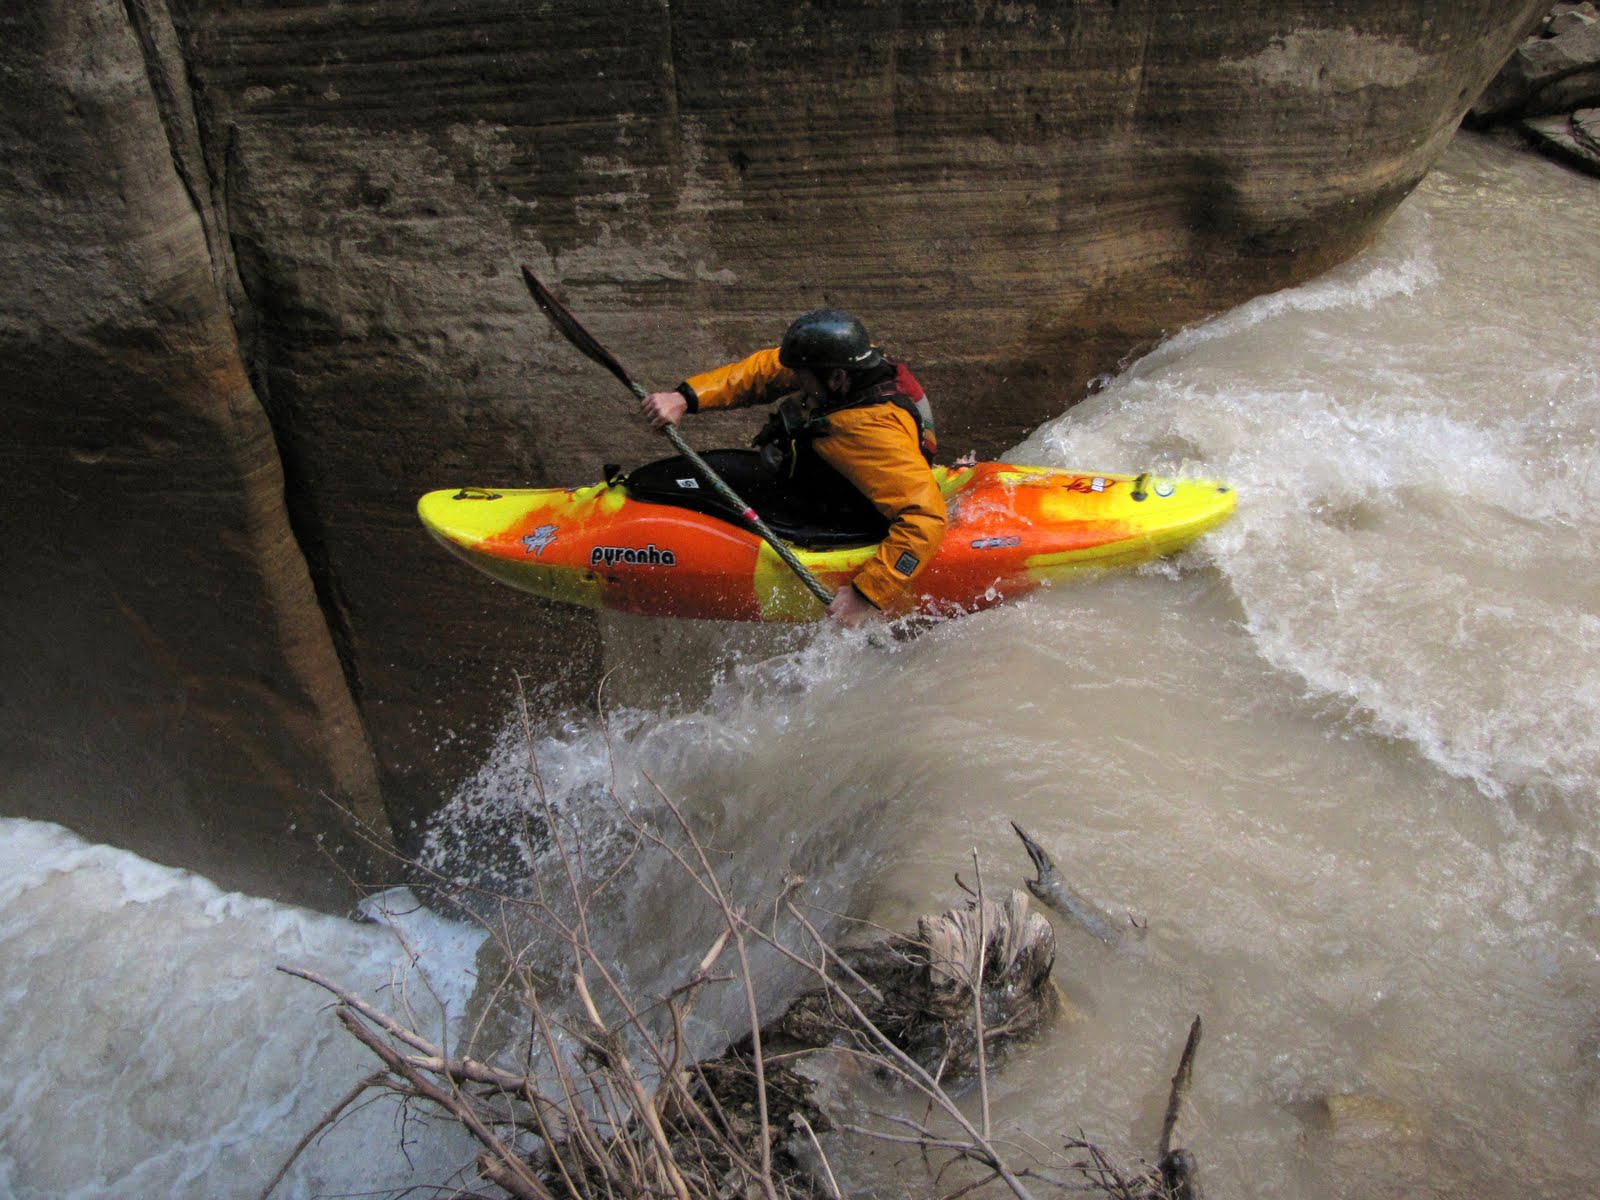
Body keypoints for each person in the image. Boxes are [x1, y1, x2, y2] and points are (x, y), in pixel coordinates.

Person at [641, 309, 945, 629]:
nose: (793, 378)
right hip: (825, 482)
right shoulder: (843, 369)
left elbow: (925, 518)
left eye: (800, 375)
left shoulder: (872, 432)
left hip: (846, 516)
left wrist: (867, 594)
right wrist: (686, 398)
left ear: (837, 378)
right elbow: (765, 371)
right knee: (701, 471)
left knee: (710, 490)